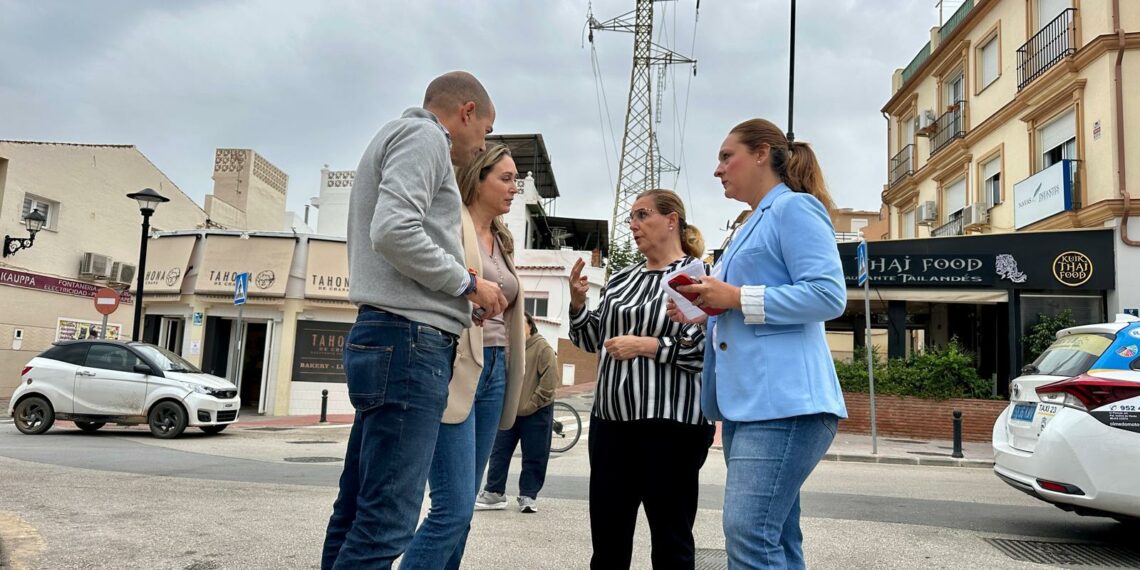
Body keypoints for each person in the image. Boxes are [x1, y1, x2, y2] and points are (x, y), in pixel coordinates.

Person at [321, 71, 508, 570]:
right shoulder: (426, 136)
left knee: (358, 508)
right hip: (409, 342)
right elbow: (394, 230)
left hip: (389, 334)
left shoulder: (392, 136)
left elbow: (394, 236)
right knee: (388, 521)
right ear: (466, 112)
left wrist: (456, 289)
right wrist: (469, 284)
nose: (481, 144)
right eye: (485, 130)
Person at [668, 118, 847, 570]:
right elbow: (748, 305)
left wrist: (734, 296)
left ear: (763, 153)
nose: (718, 169)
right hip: (753, 404)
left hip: (785, 405)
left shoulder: (795, 208)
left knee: (749, 533)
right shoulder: (753, 221)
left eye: (727, 156)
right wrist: (706, 306)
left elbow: (828, 294)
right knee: (776, 538)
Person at [569, 189, 715, 570]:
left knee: (671, 540)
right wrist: (578, 304)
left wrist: (647, 346)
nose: (632, 224)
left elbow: (701, 348)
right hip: (612, 424)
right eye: (631, 216)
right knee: (608, 540)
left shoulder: (696, 277)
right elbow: (591, 340)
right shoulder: (621, 280)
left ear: (672, 221)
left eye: (642, 215)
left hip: (672, 425)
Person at [400, 143, 527, 569]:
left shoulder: (503, 238)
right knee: (451, 509)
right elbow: (428, 282)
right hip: (454, 366)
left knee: (464, 511)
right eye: (506, 179)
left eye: (516, 181)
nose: (514, 189)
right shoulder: (451, 227)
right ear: (478, 178)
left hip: (494, 369)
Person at [475, 311, 560, 513]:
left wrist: (531, 405)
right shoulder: (509, 349)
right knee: (499, 452)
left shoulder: (543, 347)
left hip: (537, 412)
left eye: (519, 323)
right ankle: (494, 493)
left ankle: (528, 496)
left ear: (530, 325)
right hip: (510, 412)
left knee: (534, 455)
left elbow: (549, 383)